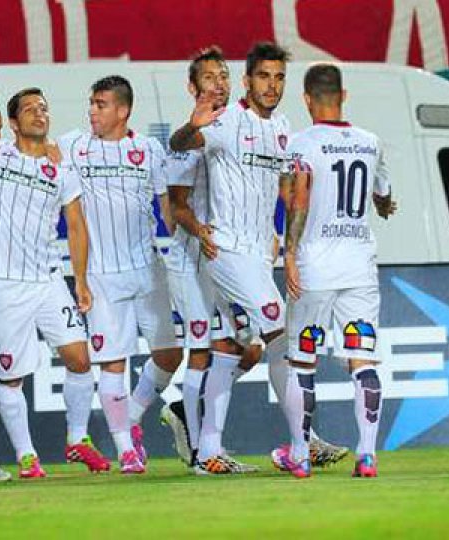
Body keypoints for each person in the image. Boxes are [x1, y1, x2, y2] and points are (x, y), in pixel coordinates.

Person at [168, 41, 293, 474]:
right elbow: (181, 143)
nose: (272, 85)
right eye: (264, 76)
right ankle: (302, 440)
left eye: (279, 77)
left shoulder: (282, 128)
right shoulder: (225, 121)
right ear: (249, 81)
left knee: (233, 347)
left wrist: (279, 235)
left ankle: (207, 450)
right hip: (222, 250)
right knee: (276, 328)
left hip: (257, 254)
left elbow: (277, 188)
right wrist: (190, 127)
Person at [271, 63, 397, 479]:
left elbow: (298, 198)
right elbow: (383, 197)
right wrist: (382, 206)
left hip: (314, 267)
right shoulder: (371, 142)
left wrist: (289, 254)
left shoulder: (300, 143)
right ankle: (367, 455)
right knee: (362, 360)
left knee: (302, 362)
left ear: (306, 99)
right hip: (359, 266)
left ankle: (300, 454)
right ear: (344, 96)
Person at [58, 76, 182, 474]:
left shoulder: (147, 149)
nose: (92, 111)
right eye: (92, 103)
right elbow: (31, 149)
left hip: (148, 270)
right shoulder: (74, 146)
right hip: (101, 276)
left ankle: (130, 414)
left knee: (169, 354)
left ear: (123, 110)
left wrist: (183, 249)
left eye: (101, 104)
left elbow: (167, 208)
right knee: (112, 363)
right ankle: (125, 447)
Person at [0, 87, 108, 478]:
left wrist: (82, 280)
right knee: (11, 374)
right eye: (29, 109)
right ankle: (26, 455)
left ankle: (76, 440)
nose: (40, 114)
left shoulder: (61, 169)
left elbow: (76, 225)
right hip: (3, 283)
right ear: (13, 122)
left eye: (44, 107)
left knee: (79, 357)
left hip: (48, 279)